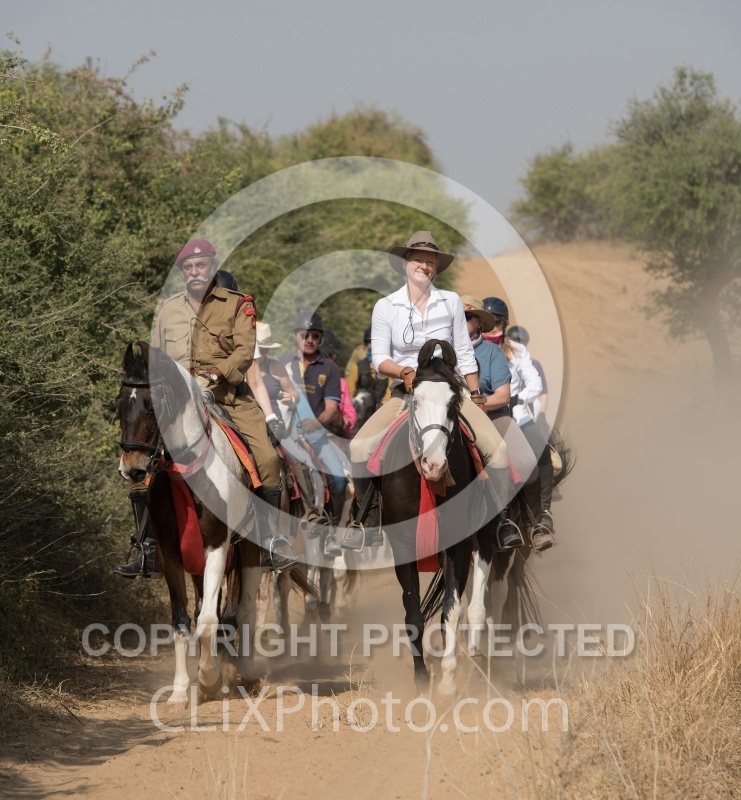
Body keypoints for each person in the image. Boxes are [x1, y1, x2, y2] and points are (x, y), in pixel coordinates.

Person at [115, 242, 298, 577]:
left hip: (228, 399)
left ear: (212, 267)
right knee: (141, 457)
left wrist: (214, 375)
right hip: (177, 406)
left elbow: (244, 352)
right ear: (182, 273)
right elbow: (156, 361)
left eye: (201, 265)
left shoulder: (238, 304)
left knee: (268, 459)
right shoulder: (167, 310)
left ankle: (272, 542)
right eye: (188, 267)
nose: (195, 272)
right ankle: (148, 548)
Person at [341, 231, 523, 552]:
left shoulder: (450, 301)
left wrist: (475, 393)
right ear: (405, 264)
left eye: (430, 261)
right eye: (418, 259)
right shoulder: (386, 306)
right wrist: (403, 371)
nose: (424, 266)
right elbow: (379, 358)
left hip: (449, 392)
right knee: (358, 447)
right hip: (406, 393)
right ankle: (365, 520)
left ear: (436, 268)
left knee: (498, 450)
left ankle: (500, 522)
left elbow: (464, 352)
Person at [462, 295, 553, 551]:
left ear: (479, 322)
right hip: (452, 416)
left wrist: (508, 400)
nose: (460, 322)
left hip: (499, 413)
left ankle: (536, 522)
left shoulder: (498, 352)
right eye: (456, 317)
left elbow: (511, 392)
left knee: (529, 460)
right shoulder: (442, 349)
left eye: (467, 317)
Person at [279, 311, 349, 557]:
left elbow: (331, 408)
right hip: (284, 433)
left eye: (315, 336)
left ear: (320, 338)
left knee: (338, 477)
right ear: (295, 336)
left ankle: (331, 534)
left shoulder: (329, 367)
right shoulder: (281, 363)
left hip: (316, 436)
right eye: (304, 335)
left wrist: (315, 424)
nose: (309, 340)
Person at [319, 330, 357, 439]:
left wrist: (345, 422)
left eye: (330, 357)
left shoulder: (342, 383)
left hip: (335, 431)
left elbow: (350, 412)